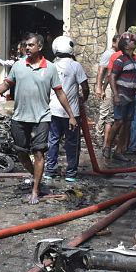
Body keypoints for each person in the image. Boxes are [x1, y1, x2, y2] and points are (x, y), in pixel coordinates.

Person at [0, 33, 77, 205]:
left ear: (40, 47)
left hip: (42, 117)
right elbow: (6, 84)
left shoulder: (50, 68)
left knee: (39, 152)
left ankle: (35, 190)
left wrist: (71, 115)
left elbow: (59, 92)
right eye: (26, 45)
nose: (27, 48)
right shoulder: (18, 66)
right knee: (21, 153)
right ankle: (37, 176)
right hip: (20, 117)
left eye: (31, 45)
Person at [45, 36, 89, 182]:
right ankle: (70, 173)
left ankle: (50, 171)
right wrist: (83, 98)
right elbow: (85, 87)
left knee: (53, 141)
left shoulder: (51, 65)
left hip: (53, 110)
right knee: (72, 143)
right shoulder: (75, 66)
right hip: (72, 113)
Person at [106, 32, 136, 160]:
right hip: (122, 95)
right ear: (126, 45)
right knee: (119, 121)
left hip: (131, 95)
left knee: (126, 124)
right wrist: (115, 94)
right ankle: (108, 146)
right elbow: (112, 76)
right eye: (131, 41)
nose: (133, 42)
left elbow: (135, 81)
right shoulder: (120, 60)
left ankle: (118, 151)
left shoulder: (132, 60)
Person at [95, 34, 119, 152]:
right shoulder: (109, 54)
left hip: (112, 86)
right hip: (107, 87)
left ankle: (106, 139)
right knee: (104, 112)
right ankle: (98, 136)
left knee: (111, 114)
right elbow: (101, 70)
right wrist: (100, 87)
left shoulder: (117, 54)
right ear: (114, 42)